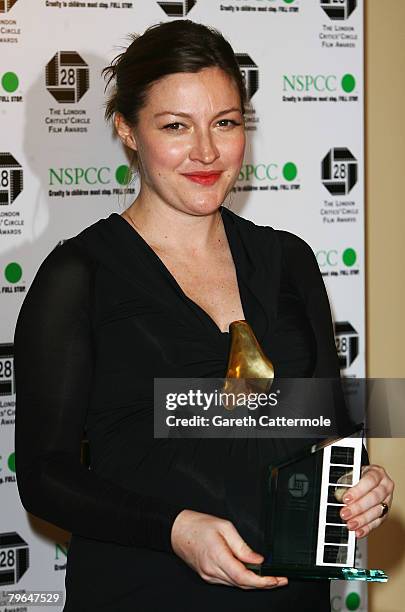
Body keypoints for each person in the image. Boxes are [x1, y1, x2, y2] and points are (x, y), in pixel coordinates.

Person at [14, 19, 394, 612]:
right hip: (143, 592)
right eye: (175, 127)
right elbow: (44, 475)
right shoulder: (78, 277)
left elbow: (325, 426)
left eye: (226, 123)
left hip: (290, 597)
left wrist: (358, 483)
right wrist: (172, 528)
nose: (207, 152)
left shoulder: (288, 259)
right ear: (127, 131)